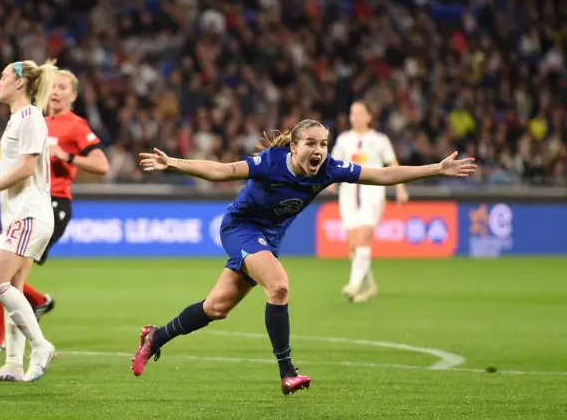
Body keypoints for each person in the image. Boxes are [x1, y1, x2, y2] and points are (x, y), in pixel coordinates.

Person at [132, 119, 476, 395]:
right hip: (241, 228)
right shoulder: (269, 163)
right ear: (294, 147)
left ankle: (155, 337)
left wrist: (436, 169)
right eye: (311, 144)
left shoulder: (329, 169)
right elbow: (222, 171)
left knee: (216, 308)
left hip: (269, 238)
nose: (319, 150)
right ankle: (287, 372)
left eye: (323, 144)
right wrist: (172, 163)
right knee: (279, 286)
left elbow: (382, 175)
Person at [0, 69, 109, 353]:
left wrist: (68, 156)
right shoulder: (35, 120)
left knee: (9, 274)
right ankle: (39, 302)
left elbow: (102, 164)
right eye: (53, 86)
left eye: (63, 87)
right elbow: (20, 163)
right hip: (18, 201)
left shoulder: (76, 125)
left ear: (74, 95)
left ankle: (1, 341)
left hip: (50, 204)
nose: (56, 91)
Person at [0, 59, 59, 382]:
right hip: (17, 216)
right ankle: (13, 363)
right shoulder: (17, 120)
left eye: (3, 76)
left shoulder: (30, 117)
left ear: (20, 83)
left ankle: (41, 346)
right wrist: (2, 211)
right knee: (13, 287)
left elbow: (26, 169)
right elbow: (16, 172)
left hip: (30, 215)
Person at [330, 101, 409, 303]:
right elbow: (332, 164)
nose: (354, 117)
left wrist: (400, 187)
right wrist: (328, 183)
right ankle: (369, 285)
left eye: (359, 113)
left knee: (363, 239)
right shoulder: (344, 139)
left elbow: (392, 164)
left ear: (368, 117)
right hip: (348, 194)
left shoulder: (379, 140)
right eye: (352, 113)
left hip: (372, 192)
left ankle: (354, 284)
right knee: (353, 244)